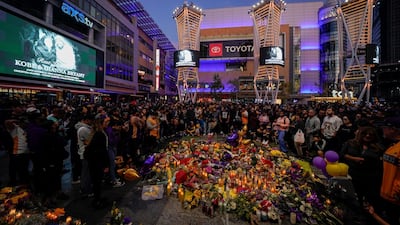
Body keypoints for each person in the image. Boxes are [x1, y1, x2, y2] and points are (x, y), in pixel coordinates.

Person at [341, 126, 384, 211]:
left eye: (370, 135)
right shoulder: (350, 143)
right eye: (365, 134)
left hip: (367, 177)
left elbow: (379, 164)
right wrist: (354, 158)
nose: (367, 136)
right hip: (351, 173)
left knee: (362, 198)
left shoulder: (378, 148)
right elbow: (342, 154)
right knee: (348, 195)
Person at [84, 115, 111, 209]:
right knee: (97, 182)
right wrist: (106, 164)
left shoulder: (95, 133)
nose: (108, 124)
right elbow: (102, 150)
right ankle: (97, 200)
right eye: (106, 122)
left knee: (96, 182)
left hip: (93, 161)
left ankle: (97, 198)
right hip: (97, 162)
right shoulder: (100, 134)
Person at [379, 117, 400, 225]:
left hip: (395, 199)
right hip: (386, 194)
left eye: (384, 128)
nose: (383, 130)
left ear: (392, 129)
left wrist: (396, 191)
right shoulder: (392, 145)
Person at [75, 114, 93, 197]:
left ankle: (86, 188)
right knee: (86, 172)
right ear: (86, 120)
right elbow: (88, 141)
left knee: (87, 172)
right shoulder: (83, 129)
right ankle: (85, 189)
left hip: (87, 152)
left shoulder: (87, 128)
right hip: (85, 153)